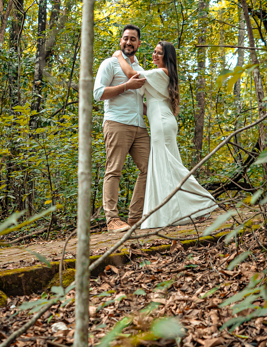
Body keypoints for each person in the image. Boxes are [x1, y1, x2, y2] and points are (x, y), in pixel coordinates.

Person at [113, 41, 218, 229]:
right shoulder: (159, 76)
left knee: (169, 165)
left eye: (159, 53)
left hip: (162, 123)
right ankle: (181, 211)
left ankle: (203, 201)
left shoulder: (161, 73)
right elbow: (148, 105)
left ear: (167, 57)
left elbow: (131, 75)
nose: (155, 55)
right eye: (154, 51)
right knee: (165, 166)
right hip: (161, 122)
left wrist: (119, 56)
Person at [93, 25, 150, 231]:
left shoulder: (140, 69)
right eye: (125, 38)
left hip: (139, 126)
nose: (128, 42)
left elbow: (139, 100)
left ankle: (135, 218)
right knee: (114, 170)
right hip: (117, 123)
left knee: (149, 168)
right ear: (120, 41)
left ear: (139, 43)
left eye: (133, 39)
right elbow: (98, 93)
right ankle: (112, 220)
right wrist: (126, 85)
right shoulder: (110, 64)